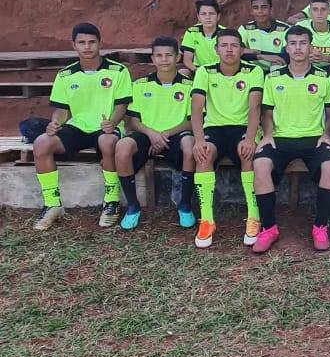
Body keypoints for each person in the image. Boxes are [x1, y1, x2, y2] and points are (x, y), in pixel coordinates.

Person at [32, 22, 132, 231]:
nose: (87, 47)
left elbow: (122, 105)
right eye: (82, 42)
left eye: (92, 42)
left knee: (107, 141)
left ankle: (111, 201)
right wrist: (55, 123)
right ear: (74, 45)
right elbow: (61, 109)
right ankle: (52, 204)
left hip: (106, 126)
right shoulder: (65, 75)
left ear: (100, 44)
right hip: (77, 126)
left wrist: (113, 122)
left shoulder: (118, 70)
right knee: (41, 143)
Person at [250, 27, 330, 253]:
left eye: (303, 43)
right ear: (287, 47)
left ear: (311, 47)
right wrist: (267, 135)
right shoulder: (273, 78)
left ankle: (320, 227)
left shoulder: (325, 78)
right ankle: (269, 228)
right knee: (260, 164)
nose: (298, 47)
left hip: (314, 138)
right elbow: (267, 113)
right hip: (280, 138)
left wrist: (327, 134)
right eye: (293, 43)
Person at [190, 29, 265, 248]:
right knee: (203, 154)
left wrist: (250, 139)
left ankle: (254, 217)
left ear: (242, 49)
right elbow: (196, 108)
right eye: (224, 45)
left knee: (247, 152)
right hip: (214, 127)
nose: (229, 50)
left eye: (234, 45)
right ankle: (207, 220)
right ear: (216, 49)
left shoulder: (254, 71)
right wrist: (199, 140)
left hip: (243, 126)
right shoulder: (205, 71)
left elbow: (255, 106)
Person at [115, 36, 197, 231]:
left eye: (169, 55)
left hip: (175, 134)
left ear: (177, 57)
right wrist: (152, 134)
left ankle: (185, 205)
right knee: (122, 147)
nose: (164, 59)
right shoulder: (140, 85)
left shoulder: (189, 86)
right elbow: (132, 121)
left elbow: (192, 121)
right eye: (159, 55)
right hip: (147, 134)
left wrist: (165, 134)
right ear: (152, 59)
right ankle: (133, 207)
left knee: (190, 145)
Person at [239, 0, 289, 70]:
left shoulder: (285, 29)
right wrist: (261, 56)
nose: (260, 11)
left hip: (276, 68)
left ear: (271, 10)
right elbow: (239, 53)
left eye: (264, 7)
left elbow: (287, 56)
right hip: (253, 69)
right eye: (256, 8)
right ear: (251, 11)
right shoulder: (245, 29)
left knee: (276, 67)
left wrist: (255, 52)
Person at [181, 0, 225, 73]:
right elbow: (187, 60)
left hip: (220, 71)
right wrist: (198, 71)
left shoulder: (226, 33)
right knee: (183, 72)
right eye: (203, 14)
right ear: (198, 17)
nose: (208, 17)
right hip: (198, 70)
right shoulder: (191, 32)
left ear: (218, 16)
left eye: (211, 14)